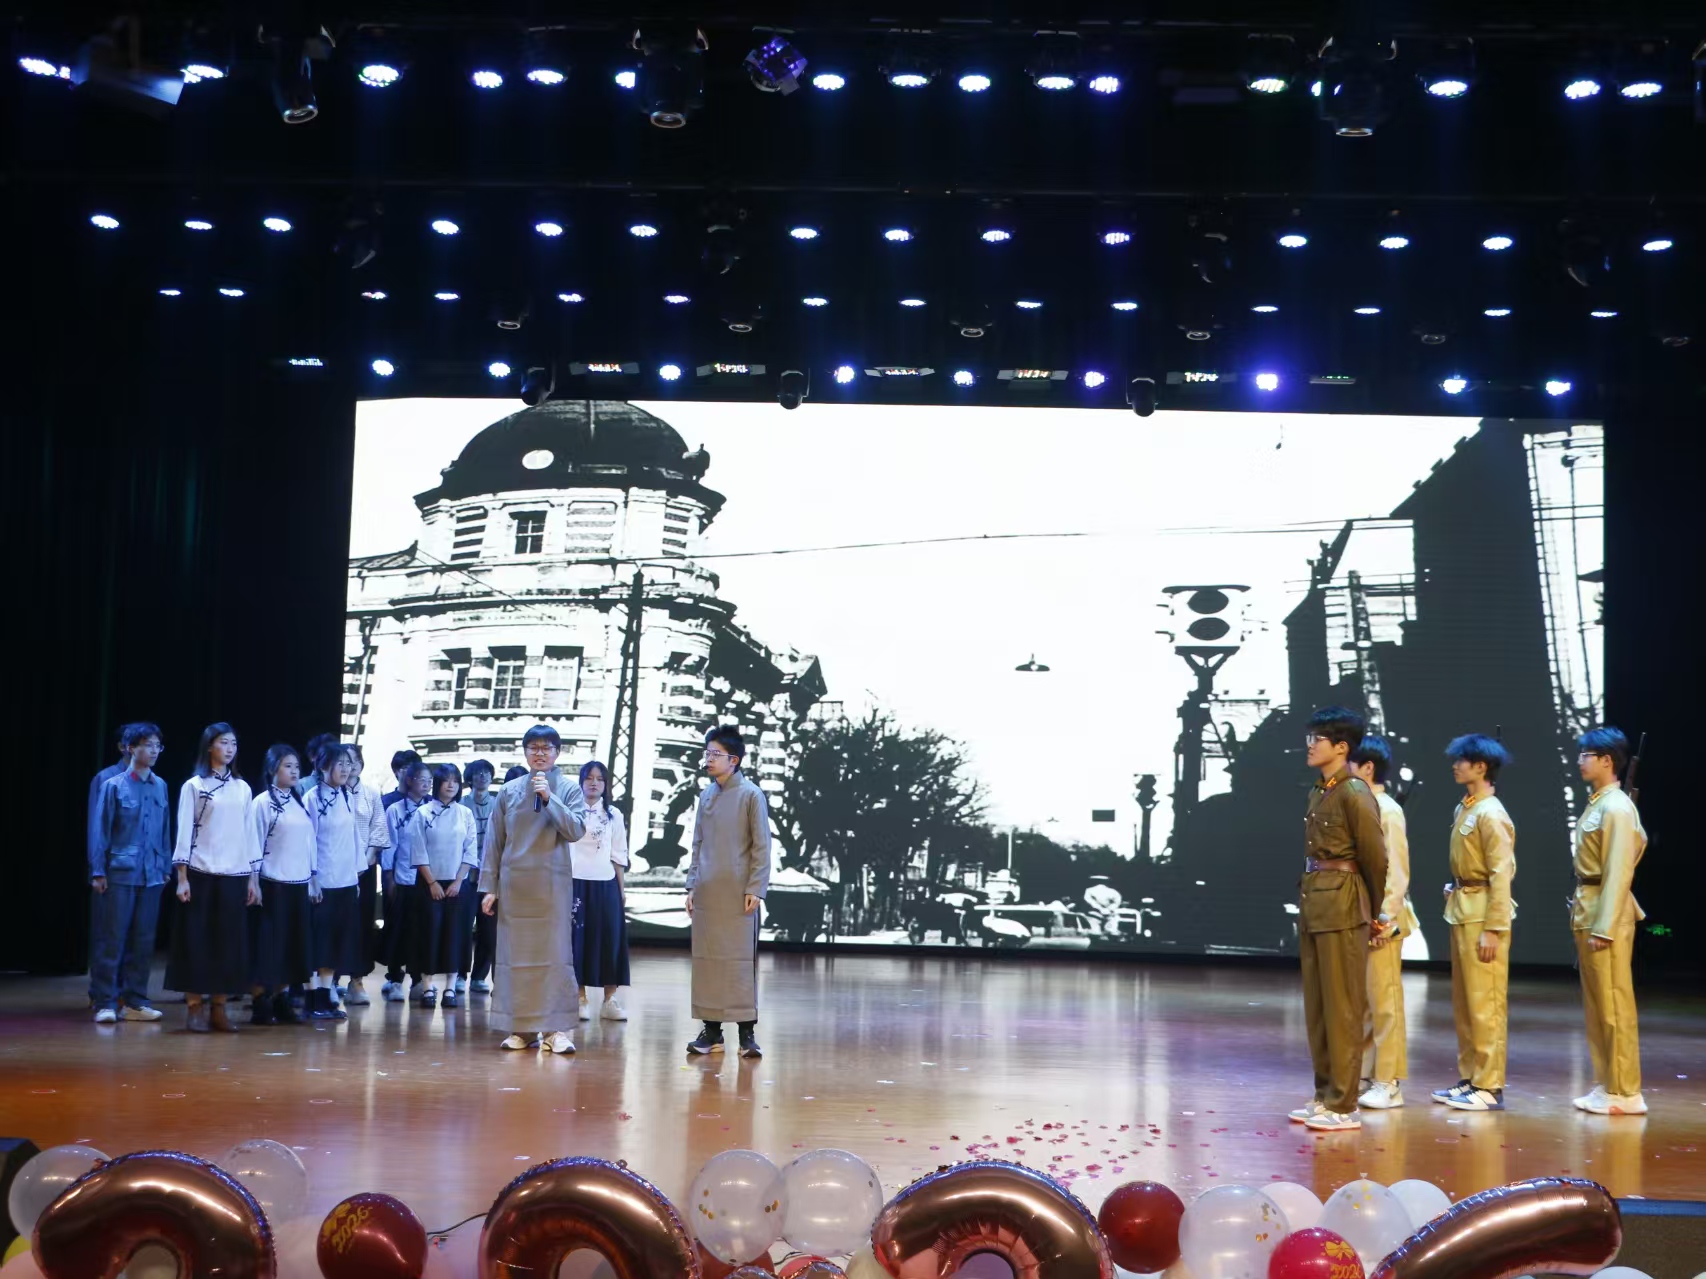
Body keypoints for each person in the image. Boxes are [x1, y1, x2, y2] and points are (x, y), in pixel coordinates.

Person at [1288, 707, 1387, 1132]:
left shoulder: (1354, 792)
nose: (1310, 745)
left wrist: (1372, 911)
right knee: (1318, 1009)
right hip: (1317, 902)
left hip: (1345, 905)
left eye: (1318, 739)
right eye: (1310, 738)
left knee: (1343, 1008)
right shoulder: (1320, 790)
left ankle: (1344, 1104)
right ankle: (1324, 1094)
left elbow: (1375, 859)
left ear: (1342, 747)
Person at [479, 725, 587, 1053]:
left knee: (554, 959)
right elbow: (495, 841)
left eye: (546, 748)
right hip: (515, 888)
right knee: (515, 960)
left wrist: (549, 798)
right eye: (533, 748)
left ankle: (554, 1030)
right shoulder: (509, 791)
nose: (539, 753)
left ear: (557, 753)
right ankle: (523, 1029)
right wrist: (490, 887)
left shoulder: (568, 789)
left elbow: (576, 830)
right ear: (525, 752)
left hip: (552, 888)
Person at [1435, 734, 1517, 1113]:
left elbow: (1501, 873)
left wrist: (1494, 928)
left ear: (1481, 767)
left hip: (1484, 913)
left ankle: (1489, 1085)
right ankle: (1470, 1077)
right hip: (1463, 907)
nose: (1455, 766)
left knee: (1486, 1003)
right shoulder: (1465, 808)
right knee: (1466, 1003)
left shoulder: (1491, 813)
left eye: (1462, 760)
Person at [1570, 727, 1648, 1116]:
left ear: (1606, 761)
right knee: (1599, 1006)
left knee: (1614, 1005)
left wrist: (1604, 926)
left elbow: (1619, 870)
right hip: (1591, 904)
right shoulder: (1599, 803)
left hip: (1607, 912)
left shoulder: (1616, 807)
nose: (1580, 761)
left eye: (1586, 755)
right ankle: (1608, 1085)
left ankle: (1625, 1090)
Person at [685, 725, 773, 1059]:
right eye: (707, 753)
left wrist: (756, 887)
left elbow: (762, 845)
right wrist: (692, 884)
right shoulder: (706, 795)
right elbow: (698, 843)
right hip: (707, 892)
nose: (708, 759)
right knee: (707, 962)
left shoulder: (751, 795)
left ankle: (747, 1034)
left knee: (739, 963)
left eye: (715, 754)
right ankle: (711, 1032)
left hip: (739, 895)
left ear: (733, 760)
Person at [167, 723, 261, 1033]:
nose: (230, 749)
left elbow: (249, 834)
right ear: (210, 746)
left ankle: (219, 1008)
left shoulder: (242, 788)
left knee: (228, 944)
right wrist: (182, 876)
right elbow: (184, 830)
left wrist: (252, 878)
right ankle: (195, 1007)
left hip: (234, 874)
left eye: (233, 743)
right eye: (223, 743)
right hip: (200, 872)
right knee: (197, 941)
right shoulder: (195, 786)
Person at [1348, 734, 1420, 1110]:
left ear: (1367, 768)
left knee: (1385, 1003)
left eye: (1350, 763)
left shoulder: (1388, 810)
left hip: (1381, 921)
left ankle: (1388, 1081)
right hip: (1359, 916)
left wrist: (1383, 919)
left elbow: (1396, 872)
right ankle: (1366, 1075)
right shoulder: (1361, 805)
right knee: (1364, 1004)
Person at [88, 723, 170, 1023]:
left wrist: (165, 867)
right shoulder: (113, 785)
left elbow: (164, 830)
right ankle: (105, 1002)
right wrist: (98, 871)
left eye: (158, 745)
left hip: (152, 874)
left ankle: (136, 1000)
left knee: (144, 940)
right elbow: (100, 832)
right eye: (148, 744)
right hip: (121, 872)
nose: (154, 751)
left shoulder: (160, 786)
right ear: (130, 748)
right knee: (112, 939)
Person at [247, 745, 315, 1026]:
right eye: (288, 766)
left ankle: (281, 998)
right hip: (272, 883)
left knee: (290, 945)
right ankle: (260, 1001)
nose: (294, 771)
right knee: (267, 947)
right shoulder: (262, 803)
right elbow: (253, 842)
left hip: (298, 883)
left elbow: (308, 843)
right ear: (273, 768)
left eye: (297, 766)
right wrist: (253, 881)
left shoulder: (299, 802)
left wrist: (312, 879)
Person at [407, 764, 478, 1009]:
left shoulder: (465, 813)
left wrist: (458, 881)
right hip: (429, 884)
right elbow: (418, 850)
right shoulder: (423, 812)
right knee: (428, 933)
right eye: (446, 780)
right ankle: (427, 987)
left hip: (458, 886)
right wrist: (432, 882)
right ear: (437, 784)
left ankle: (450, 987)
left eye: (455, 781)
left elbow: (470, 850)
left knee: (455, 935)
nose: (451, 785)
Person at [87, 723, 146, 1009]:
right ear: (123, 746)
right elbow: (96, 829)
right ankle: (100, 994)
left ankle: (126, 993)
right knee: (107, 935)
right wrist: (97, 869)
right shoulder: (107, 778)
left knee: (136, 936)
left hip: (141, 871)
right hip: (113, 870)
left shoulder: (151, 782)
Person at [306, 743, 365, 1021]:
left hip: (344, 879)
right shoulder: (311, 798)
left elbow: (354, 838)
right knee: (320, 941)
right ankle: (313, 999)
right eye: (339, 763)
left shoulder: (347, 796)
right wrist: (312, 878)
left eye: (348, 763)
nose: (345, 769)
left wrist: (355, 876)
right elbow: (308, 841)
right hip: (322, 881)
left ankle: (326, 996)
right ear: (323, 766)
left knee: (337, 941)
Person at [572, 760, 632, 1022]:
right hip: (574, 882)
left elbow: (619, 854)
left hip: (605, 883)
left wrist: (621, 890)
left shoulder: (613, 814)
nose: (594, 783)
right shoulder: (570, 811)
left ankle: (609, 1000)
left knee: (610, 939)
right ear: (581, 782)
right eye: (589, 778)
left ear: (606, 785)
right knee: (576, 942)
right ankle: (579, 998)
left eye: (599, 779)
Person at [341, 744, 390, 1006]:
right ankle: (328, 981)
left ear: (361, 764)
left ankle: (356, 980)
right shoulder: (330, 792)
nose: (349, 767)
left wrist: (364, 863)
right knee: (336, 923)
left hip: (365, 869)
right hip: (335, 870)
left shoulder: (371, 794)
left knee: (361, 925)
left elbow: (379, 830)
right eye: (343, 761)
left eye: (353, 761)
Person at [384, 761, 433, 1001]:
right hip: (403, 878)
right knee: (398, 931)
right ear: (409, 780)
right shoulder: (395, 809)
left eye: (429, 781)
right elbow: (390, 845)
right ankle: (395, 980)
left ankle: (418, 981)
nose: (426, 785)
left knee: (420, 932)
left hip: (426, 879)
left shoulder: (434, 808)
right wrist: (389, 876)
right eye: (422, 780)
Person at [460, 758, 498, 996]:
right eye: (478, 773)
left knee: (488, 930)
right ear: (470, 778)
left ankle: (478, 977)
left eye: (486, 773)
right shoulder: (461, 804)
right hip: (464, 876)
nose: (482, 776)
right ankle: (459, 976)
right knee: (462, 929)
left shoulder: (497, 803)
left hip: (490, 877)